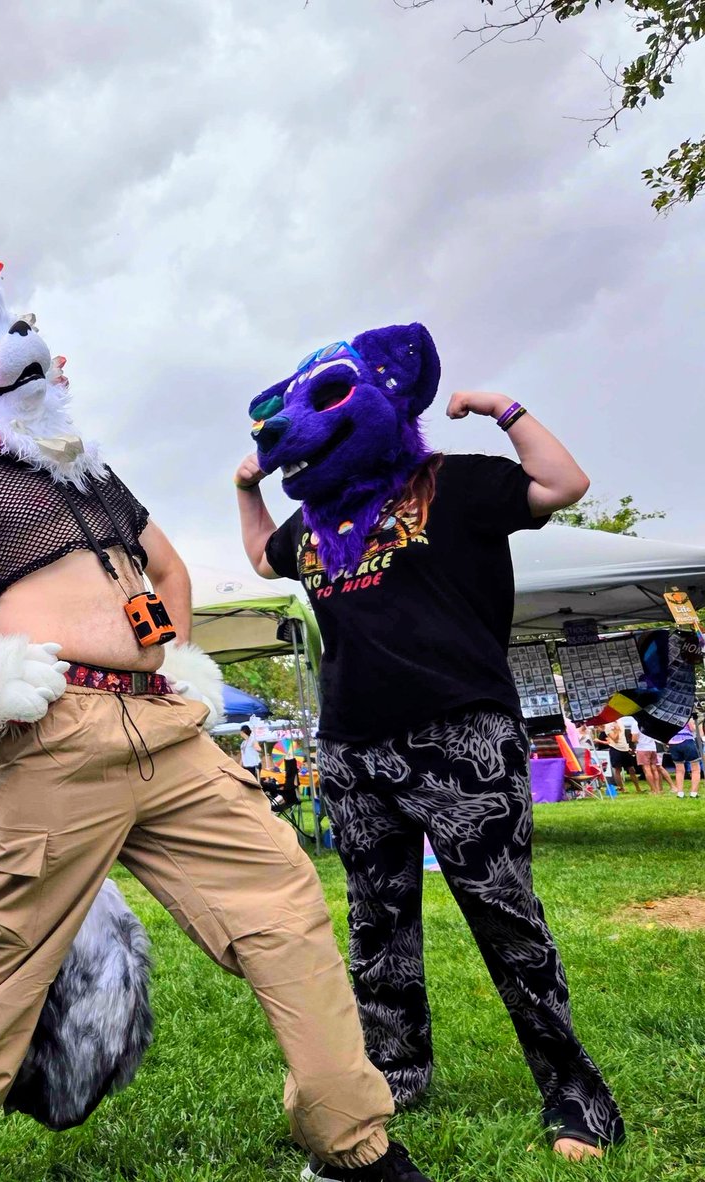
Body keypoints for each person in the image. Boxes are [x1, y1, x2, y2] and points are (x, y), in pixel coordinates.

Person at [0, 260, 432, 1182]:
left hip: (167, 730)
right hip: (57, 733)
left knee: (286, 902)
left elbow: (171, 570)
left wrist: (180, 662)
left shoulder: (98, 477)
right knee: (4, 952)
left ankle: (354, 1143)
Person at [236, 322, 624, 1161]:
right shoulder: (316, 521)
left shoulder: (451, 482)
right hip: (352, 746)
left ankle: (575, 1096)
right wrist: (246, 488)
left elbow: (564, 484)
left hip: (461, 735)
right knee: (377, 924)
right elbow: (265, 560)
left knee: (506, 917)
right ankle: (396, 1071)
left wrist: (502, 408)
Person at [602, 719, 642, 794]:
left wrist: (627, 747)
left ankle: (638, 788)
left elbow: (623, 737)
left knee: (631, 769)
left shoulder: (620, 722)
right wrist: (617, 730)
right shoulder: (608, 726)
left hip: (625, 749)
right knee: (618, 769)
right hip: (615, 749)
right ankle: (622, 789)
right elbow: (615, 740)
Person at [666, 717, 701, 798]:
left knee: (679, 770)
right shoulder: (686, 715)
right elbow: (692, 728)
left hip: (673, 743)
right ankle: (694, 793)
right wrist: (697, 724)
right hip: (687, 740)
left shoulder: (669, 717)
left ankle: (680, 793)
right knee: (695, 769)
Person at [629, 719, 664, 794]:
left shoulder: (635, 724)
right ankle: (658, 789)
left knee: (647, 769)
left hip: (642, 748)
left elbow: (634, 739)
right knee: (654, 769)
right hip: (653, 748)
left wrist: (635, 741)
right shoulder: (650, 722)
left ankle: (653, 790)